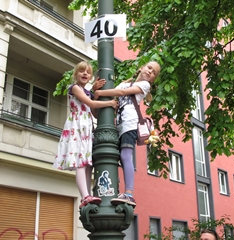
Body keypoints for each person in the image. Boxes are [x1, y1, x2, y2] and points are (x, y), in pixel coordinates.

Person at [94, 61, 161, 207]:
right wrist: (96, 90)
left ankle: (129, 193)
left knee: (125, 156)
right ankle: (116, 190)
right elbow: (114, 96)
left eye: (154, 72)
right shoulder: (125, 83)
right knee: (117, 158)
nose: (150, 71)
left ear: (152, 79)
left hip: (130, 124)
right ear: (142, 67)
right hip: (118, 125)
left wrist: (100, 93)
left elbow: (121, 93)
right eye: (149, 68)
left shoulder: (145, 85)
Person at [53, 61, 118, 209]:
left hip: (86, 127)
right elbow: (92, 104)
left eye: (88, 72)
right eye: (81, 71)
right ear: (75, 74)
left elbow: (94, 113)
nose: (85, 74)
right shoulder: (75, 88)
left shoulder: (86, 92)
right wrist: (109, 103)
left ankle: (87, 195)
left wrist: (95, 93)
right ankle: (85, 196)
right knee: (81, 162)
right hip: (77, 126)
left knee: (87, 163)